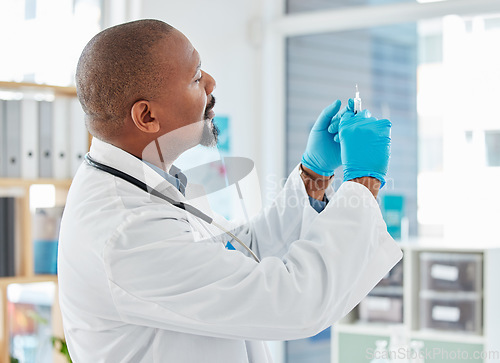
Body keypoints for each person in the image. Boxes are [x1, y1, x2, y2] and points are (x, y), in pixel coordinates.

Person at [58, 19, 402, 362]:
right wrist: (363, 182)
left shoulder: (148, 185)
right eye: (195, 78)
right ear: (147, 116)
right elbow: (292, 303)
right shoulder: (127, 231)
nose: (210, 82)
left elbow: (243, 254)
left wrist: (314, 174)